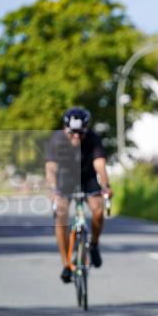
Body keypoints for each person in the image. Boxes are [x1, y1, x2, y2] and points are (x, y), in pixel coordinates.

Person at [45, 107, 112, 283]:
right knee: (61, 215)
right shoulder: (57, 139)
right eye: (72, 133)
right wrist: (53, 189)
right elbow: (51, 168)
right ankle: (66, 264)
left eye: (80, 133)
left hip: (87, 177)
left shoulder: (93, 139)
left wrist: (106, 186)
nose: (76, 136)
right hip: (65, 178)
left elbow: (100, 165)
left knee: (98, 209)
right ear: (65, 129)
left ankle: (94, 244)